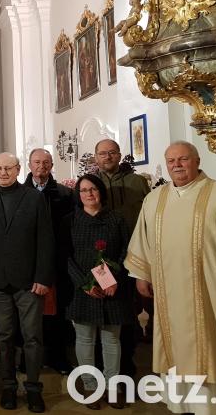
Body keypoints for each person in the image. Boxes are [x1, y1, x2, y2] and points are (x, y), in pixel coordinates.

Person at [126, 141, 216, 415]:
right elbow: (142, 243)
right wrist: (141, 275)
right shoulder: (154, 200)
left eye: (183, 159)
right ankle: (188, 403)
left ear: (196, 160)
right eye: (171, 161)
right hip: (170, 296)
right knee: (179, 349)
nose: (176, 165)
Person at [0, 152, 53, 413]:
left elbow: (45, 241)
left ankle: (33, 389)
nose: (3, 173)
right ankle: (8, 386)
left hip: (29, 282)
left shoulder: (34, 198)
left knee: (32, 338)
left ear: (18, 169)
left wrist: (42, 278)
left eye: (8, 168)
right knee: (5, 337)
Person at [64, 174, 133, 410]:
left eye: (93, 189)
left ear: (101, 191)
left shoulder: (116, 219)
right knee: (84, 339)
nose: (89, 194)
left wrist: (115, 280)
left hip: (113, 288)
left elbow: (127, 251)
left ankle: (113, 387)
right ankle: (91, 386)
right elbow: (65, 257)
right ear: (78, 194)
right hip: (83, 290)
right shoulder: (71, 221)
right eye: (83, 190)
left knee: (112, 340)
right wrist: (85, 284)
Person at [93, 138, 150, 376]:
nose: (108, 157)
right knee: (103, 312)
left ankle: (126, 367)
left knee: (128, 312)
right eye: (103, 153)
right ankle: (101, 369)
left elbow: (147, 217)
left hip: (133, 256)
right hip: (101, 260)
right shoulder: (90, 184)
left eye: (112, 153)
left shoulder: (137, 182)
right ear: (96, 157)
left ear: (119, 155)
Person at [24, 148, 75, 375]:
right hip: (27, 262)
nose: (41, 167)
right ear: (29, 165)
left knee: (57, 314)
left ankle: (57, 356)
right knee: (29, 314)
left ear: (52, 165)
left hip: (57, 262)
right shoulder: (19, 193)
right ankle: (29, 359)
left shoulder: (65, 194)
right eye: (37, 162)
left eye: (46, 163)